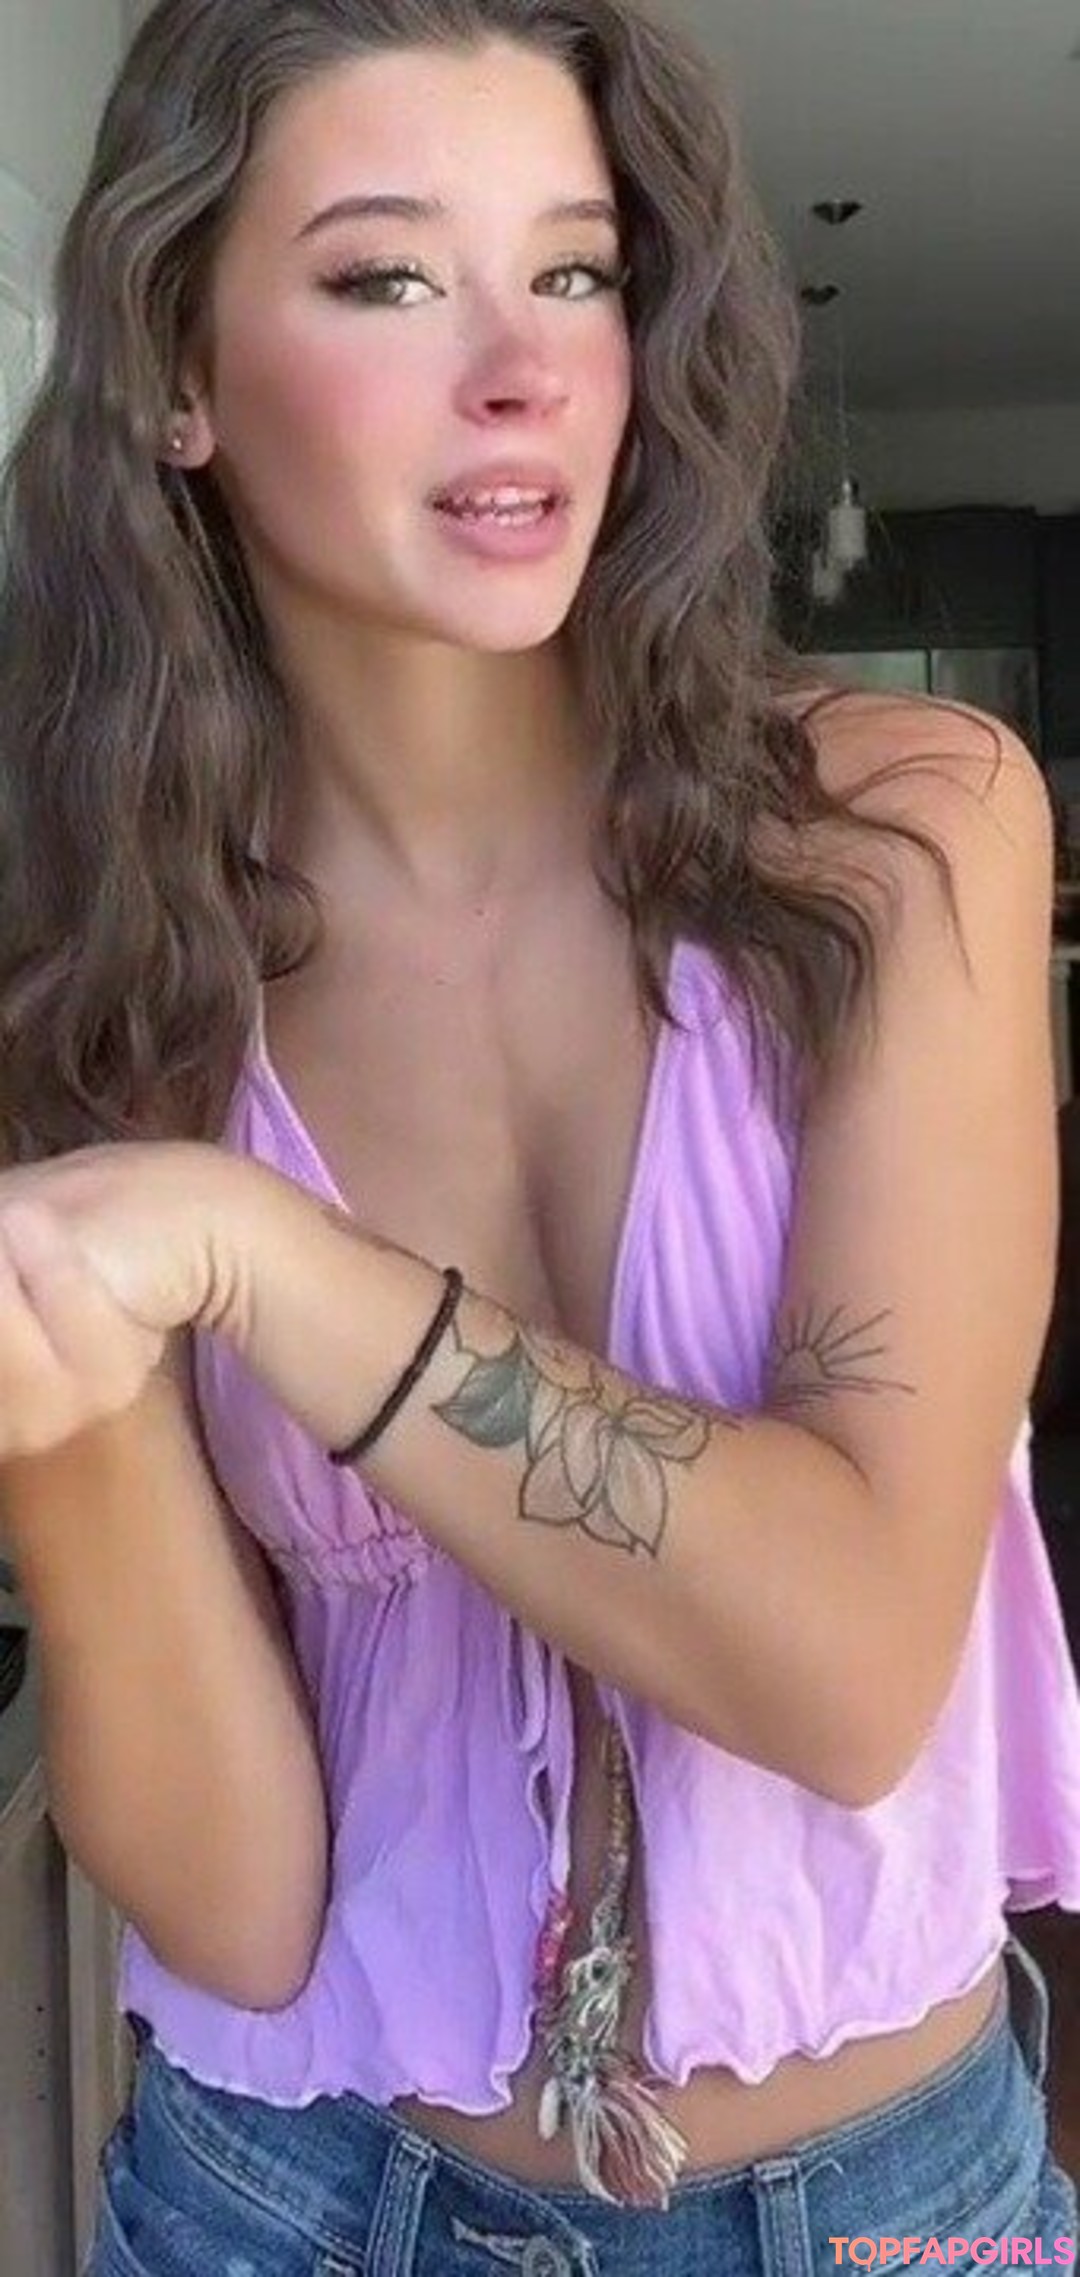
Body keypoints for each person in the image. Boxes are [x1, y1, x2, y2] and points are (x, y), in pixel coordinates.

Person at [0, 1, 1078, 2269]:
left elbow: (848, 1664)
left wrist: (260, 1253)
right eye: (388, 276)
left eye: (574, 270)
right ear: (180, 373)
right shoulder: (103, 978)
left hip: (883, 2213)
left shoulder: (898, 835)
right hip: (288, 2196)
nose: (522, 373)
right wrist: (62, 1398)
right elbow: (239, 1901)